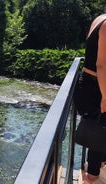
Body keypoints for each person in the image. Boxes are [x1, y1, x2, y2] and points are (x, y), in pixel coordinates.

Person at [81, 13, 106, 183]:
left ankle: (95, 168)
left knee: (99, 128)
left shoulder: (100, 18)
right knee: (101, 129)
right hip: (97, 85)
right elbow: (101, 65)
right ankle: (92, 175)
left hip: (91, 83)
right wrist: (105, 96)